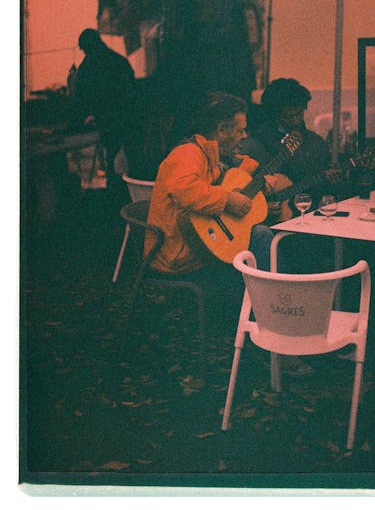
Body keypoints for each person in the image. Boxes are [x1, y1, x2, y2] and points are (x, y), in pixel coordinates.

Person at [145, 92, 278, 315]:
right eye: (240, 130)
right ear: (222, 130)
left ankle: (264, 309)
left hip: (199, 244)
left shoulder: (210, 153)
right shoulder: (188, 153)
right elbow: (185, 189)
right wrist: (228, 200)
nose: (245, 136)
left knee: (260, 234)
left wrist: (259, 181)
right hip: (180, 254)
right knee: (262, 237)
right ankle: (272, 310)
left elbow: (228, 177)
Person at [241, 78, 338, 216]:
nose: (295, 120)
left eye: (299, 113)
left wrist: (331, 181)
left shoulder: (316, 143)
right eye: (288, 116)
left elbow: (324, 190)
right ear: (274, 115)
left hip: (309, 214)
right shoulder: (255, 144)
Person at [70, 29, 136, 188]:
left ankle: (115, 195)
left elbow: (81, 99)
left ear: (87, 46)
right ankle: (129, 191)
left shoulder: (88, 67)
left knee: (112, 160)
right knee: (132, 159)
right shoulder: (119, 61)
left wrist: (74, 123)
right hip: (129, 118)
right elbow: (132, 90)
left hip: (108, 121)